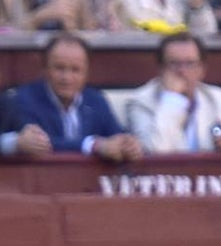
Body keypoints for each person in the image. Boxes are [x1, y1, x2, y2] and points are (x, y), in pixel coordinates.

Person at [125, 32, 221, 153]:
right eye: (174, 63)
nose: (182, 71)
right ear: (160, 69)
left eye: (190, 64)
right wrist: (172, 99)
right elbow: (156, 151)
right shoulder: (141, 102)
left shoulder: (217, 99)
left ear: (202, 70)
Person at [14, 33, 143, 161]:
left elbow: (116, 135)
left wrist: (128, 145)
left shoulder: (96, 100)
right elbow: (41, 143)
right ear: (45, 69)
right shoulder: (25, 99)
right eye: (59, 68)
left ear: (86, 73)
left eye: (75, 70)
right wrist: (94, 145)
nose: (67, 78)